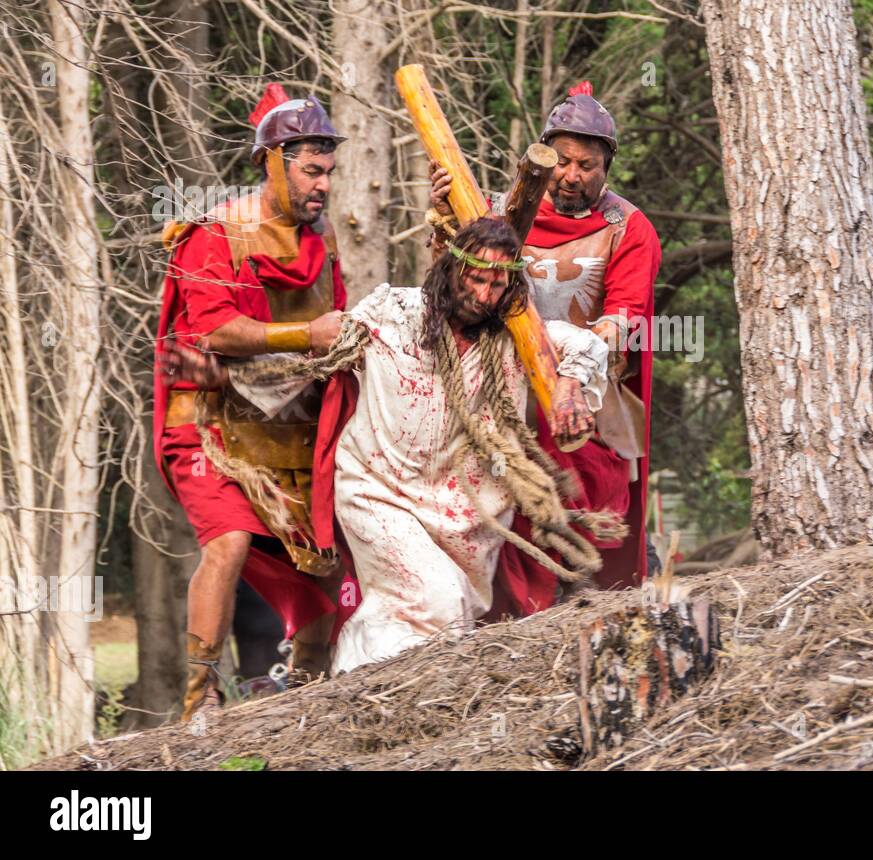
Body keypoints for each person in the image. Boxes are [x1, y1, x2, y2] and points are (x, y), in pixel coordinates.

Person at [166, 218, 615, 674]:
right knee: (434, 599)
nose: (483, 296)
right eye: (475, 279)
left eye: (497, 284)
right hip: (379, 492)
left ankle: (358, 696)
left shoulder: (517, 335)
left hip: (468, 513)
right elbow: (312, 361)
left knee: (446, 615)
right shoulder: (391, 313)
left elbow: (587, 347)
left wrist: (569, 383)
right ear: (449, 271)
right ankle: (360, 691)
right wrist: (227, 378)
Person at [154, 84, 349, 721]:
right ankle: (200, 696)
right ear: (273, 163)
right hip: (208, 425)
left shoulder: (324, 251)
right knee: (231, 542)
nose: (322, 184)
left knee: (325, 556)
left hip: (289, 431)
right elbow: (211, 331)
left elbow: (335, 330)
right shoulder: (213, 234)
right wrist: (307, 337)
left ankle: (309, 691)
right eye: (310, 170)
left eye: (328, 171)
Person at [431, 81, 662, 608]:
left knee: (588, 496)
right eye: (561, 161)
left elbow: (624, 314)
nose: (572, 175)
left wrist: (575, 374)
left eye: (587, 165)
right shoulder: (500, 212)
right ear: (542, 158)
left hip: (589, 390)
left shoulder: (628, 227)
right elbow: (455, 280)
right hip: (502, 385)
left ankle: (585, 599)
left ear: (607, 168)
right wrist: (445, 214)